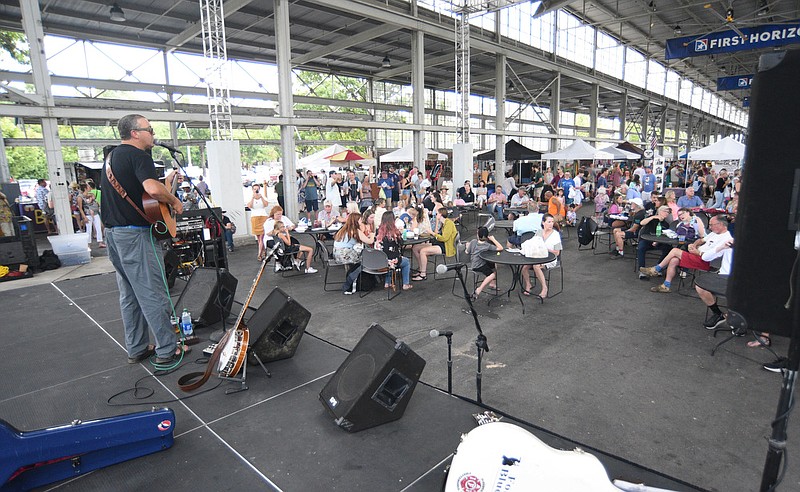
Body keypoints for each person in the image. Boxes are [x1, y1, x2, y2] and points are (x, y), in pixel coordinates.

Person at [100, 114, 185, 365]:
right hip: (135, 236)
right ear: (135, 133)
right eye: (149, 129)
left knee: (129, 294)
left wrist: (167, 185)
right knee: (152, 293)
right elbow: (152, 190)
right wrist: (174, 200)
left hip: (114, 235)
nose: (153, 134)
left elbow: (144, 193)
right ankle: (167, 350)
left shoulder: (112, 157)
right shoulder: (139, 156)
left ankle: (136, 347)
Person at [640, 215, 733, 293]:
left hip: (706, 261)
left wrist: (698, 252)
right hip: (697, 255)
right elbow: (701, 240)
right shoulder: (714, 233)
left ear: (720, 224)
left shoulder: (726, 239)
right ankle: (666, 285)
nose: (709, 227)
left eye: (711, 225)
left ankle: (656, 269)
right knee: (674, 260)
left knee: (675, 251)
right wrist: (694, 245)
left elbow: (712, 256)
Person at [521, 213, 561, 299]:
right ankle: (528, 284)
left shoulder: (556, 235)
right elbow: (533, 244)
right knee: (524, 267)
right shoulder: (539, 232)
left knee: (536, 266)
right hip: (537, 256)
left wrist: (545, 249)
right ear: (543, 223)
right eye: (549, 222)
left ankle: (544, 288)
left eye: (552, 222)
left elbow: (557, 253)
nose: (551, 224)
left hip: (550, 259)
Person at [411, 207, 457, 281]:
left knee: (423, 251)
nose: (436, 215)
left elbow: (444, 238)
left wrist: (432, 233)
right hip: (439, 243)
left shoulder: (449, 224)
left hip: (445, 246)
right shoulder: (444, 222)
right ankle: (421, 268)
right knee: (415, 248)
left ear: (441, 214)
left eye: (437, 213)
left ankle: (423, 274)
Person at [334, 212, 374, 294]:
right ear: (356, 221)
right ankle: (350, 283)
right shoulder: (355, 231)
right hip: (345, 254)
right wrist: (372, 235)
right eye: (360, 220)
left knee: (359, 259)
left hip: (336, 254)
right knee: (365, 260)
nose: (361, 222)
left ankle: (353, 282)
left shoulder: (343, 229)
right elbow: (369, 241)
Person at [375, 212, 412, 291]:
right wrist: (400, 234)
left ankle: (387, 282)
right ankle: (406, 284)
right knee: (406, 262)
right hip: (392, 261)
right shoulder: (394, 233)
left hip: (380, 261)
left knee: (388, 258)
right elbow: (401, 243)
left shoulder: (378, 231)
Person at [635, 205, 672, 279]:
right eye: (665, 211)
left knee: (669, 248)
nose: (667, 213)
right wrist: (653, 217)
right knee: (641, 248)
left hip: (658, 241)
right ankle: (642, 270)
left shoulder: (666, 224)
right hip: (646, 240)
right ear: (659, 211)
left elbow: (664, 235)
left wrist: (657, 241)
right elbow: (642, 223)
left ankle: (658, 268)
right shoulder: (651, 218)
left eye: (668, 212)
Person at [466, 226, 503, 300]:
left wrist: (468, 246)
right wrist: (493, 239)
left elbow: (467, 252)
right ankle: (479, 289)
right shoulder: (487, 245)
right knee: (492, 275)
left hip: (474, 263)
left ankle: (492, 284)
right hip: (479, 266)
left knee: (493, 264)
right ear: (487, 237)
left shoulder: (473, 242)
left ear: (477, 235)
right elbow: (500, 248)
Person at [247, 183, 269, 260]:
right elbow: (249, 206)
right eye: (254, 189)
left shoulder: (263, 196)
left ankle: (259, 254)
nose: (256, 190)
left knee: (262, 237)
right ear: (252, 190)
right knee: (258, 237)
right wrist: (253, 198)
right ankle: (263, 251)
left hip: (263, 216)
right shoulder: (250, 197)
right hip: (254, 217)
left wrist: (261, 197)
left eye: (257, 189)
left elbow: (266, 204)